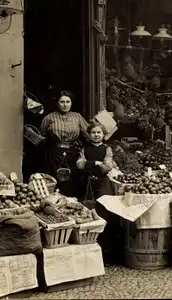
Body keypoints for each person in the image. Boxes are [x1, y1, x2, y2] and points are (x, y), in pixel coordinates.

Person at [77, 121, 123, 264]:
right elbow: (79, 164)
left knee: (104, 214)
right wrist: (95, 163)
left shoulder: (107, 149)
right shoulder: (85, 149)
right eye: (93, 133)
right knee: (87, 213)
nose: (96, 135)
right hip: (87, 184)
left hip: (103, 184)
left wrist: (90, 165)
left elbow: (107, 166)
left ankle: (106, 253)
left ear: (103, 135)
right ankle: (87, 252)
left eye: (99, 133)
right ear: (89, 135)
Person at [39, 90, 89, 197]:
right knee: (53, 179)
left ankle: (71, 202)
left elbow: (88, 133)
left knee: (72, 180)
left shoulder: (77, 117)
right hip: (54, 152)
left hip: (72, 152)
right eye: (62, 102)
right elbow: (41, 136)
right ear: (57, 103)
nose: (65, 104)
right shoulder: (49, 118)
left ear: (71, 103)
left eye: (68, 102)